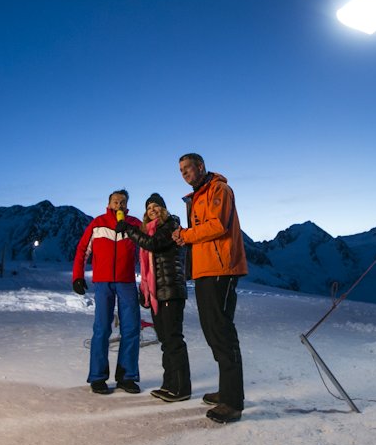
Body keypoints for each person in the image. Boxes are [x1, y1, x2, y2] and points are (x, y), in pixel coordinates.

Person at [172, 153, 247, 424]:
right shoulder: (199, 195)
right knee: (212, 331)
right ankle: (226, 391)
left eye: (187, 168)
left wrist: (186, 234)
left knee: (222, 331)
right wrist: (185, 236)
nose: (184, 173)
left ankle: (233, 402)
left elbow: (218, 225)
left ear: (200, 166)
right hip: (204, 270)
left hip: (221, 269)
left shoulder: (219, 190)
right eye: (180, 170)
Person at [115, 193, 191, 402]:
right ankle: (170, 384)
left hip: (170, 290)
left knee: (173, 340)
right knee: (166, 340)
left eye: (156, 206)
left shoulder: (170, 225)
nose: (153, 210)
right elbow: (149, 264)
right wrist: (145, 292)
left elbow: (153, 244)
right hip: (158, 292)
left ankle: (181, 388)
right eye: (149, 208)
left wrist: (129, 230)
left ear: (164, 209)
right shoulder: (149, 229)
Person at [72, 189, 142, 394]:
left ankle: (127, 377)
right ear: (109, 203)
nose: (118, 204)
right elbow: (82, 249)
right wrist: (77, 276)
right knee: (102, 329)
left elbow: (148, 249)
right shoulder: (97, 223)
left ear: (127, 205)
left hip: (127, 282)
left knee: (131, 328)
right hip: (103, 283)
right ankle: (98, 377)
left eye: (122, 202)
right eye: (115, 201)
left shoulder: (135, 224)